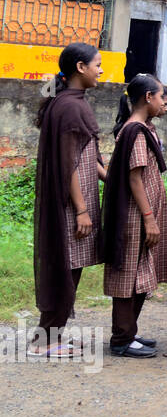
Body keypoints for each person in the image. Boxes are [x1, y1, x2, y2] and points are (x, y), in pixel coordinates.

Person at [32, 42, 105, 358]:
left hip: (74, 203)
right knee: (65, 268)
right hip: (70, 205)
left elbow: (87, 157)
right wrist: (81, 209)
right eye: (97, 64)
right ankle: (46, 341)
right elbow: (69, 163)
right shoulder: (70, 106)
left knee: (70, 268)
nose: (101, 70)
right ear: (80, 67)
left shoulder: (68, 102)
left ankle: (51, 334)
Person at [102, 74, 167, 358]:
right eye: (160, 96)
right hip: (135, 214)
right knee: (127, 277)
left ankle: (128, 330)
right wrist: (148, 216)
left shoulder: (144, 128)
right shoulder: (134, 131)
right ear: (147, 97)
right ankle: (121, 338)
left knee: (141, 274)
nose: (162, 101)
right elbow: (135, 178)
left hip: (143, 214)